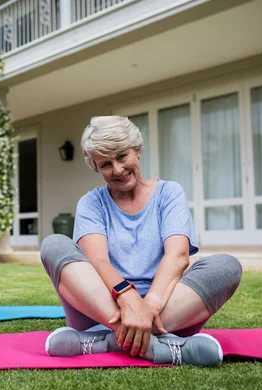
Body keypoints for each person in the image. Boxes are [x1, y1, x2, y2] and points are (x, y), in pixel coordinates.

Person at [40, 116, 242, 367]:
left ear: (137, 150)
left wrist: (148, 308)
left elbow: (177, 256)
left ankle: (105, 341)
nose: (117, 170)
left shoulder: (169, 193)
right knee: (53, 244)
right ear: (96, 167)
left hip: (166, 308)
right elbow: (97, 261)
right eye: (105, 164)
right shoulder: (91, 203)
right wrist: (127, 298)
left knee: (227, 265)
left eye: (122, 156)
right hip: (101, 309)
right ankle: (166, 345)